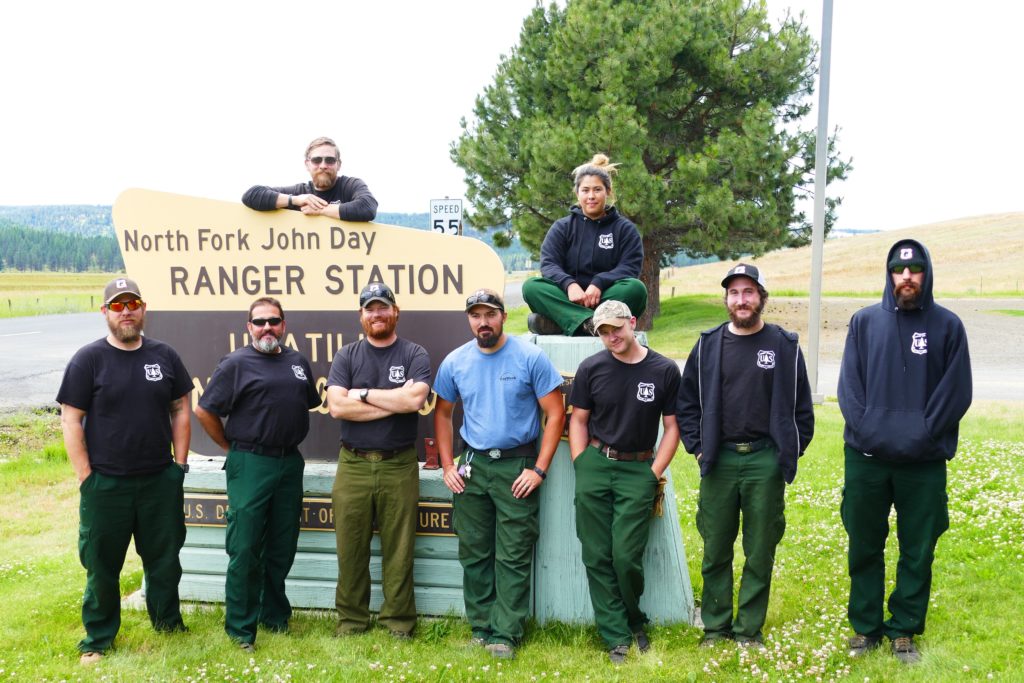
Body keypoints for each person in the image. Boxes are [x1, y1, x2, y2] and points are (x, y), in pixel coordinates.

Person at [838, 240, 972, 665]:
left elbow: (957, 392)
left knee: (918, 548)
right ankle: (865, 627)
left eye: (914, 270)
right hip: (867, 459)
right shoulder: (864, 323)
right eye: (898, 269)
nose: (907, 277)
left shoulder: (948, 326)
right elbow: (850, 390)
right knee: (864, 543)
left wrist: (922, 433)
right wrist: (872, 431)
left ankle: (904, 629)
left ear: (926, 273)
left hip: (924, 463)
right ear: (889, 274)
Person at [677, 264, 814, 648]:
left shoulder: (784, 346)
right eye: (734, 293)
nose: (741, 300)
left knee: (760, 550)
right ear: (726, 299)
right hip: (718, 460)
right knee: (716, 547)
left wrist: (787, 453)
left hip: (763, 461)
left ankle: (748, 630)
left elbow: (802, 408)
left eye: (749, 292)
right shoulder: (707, 345)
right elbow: (686, 403)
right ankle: (716, 627)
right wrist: (699, 446)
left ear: (761, 298)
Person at [56, 276, 192, 665]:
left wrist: (178, 465)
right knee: (101, 564)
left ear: (143, 308)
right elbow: (70, 420)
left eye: (132, 303)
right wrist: (86, 477)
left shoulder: (165, 356)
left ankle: (168, 624)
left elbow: (181, 408)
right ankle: (98, 638)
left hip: (158, 481)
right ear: (105, 313)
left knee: (165, 559)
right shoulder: (89, 359)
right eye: (117, 305)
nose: (126, 311)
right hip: (106, 484)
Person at [433, 288, 565, 660]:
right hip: (473, 466)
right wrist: (447, 465)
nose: (483, 322)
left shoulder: (530, 357)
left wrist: (539, 468)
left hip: (517, 465)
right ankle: (480, 626)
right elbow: (442, 414)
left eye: (490, 314)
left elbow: (555, 414)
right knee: (474, 551)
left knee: (512, 554)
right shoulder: (456, 361)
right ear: (469, 320)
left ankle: (505, 633)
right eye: (475, 315)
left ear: (503, 316)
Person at [194, 297, 322, 652]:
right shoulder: (235, 363)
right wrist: (230, 448)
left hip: (289, 463)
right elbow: (205, 411)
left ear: (284, 325)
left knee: (282, 545)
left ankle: (274, 616)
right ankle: (240, 628)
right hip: (250, 462)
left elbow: (308, 403)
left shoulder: (297, 362)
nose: (268, 327)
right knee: (246, 546)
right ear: (249, 327)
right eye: (260, 321)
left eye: (274, 321)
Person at [568, 300, 681, 664]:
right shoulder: (591, 368)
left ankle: (634, 618)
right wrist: (582, 463)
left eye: (616, 328)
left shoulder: (664, 370)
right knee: (596, 554)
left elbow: (672, 427)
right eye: (602, 331)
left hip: (638, 470)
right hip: (596, 465)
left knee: (625, 556)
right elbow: (579, 420)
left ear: (632, 322)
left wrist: (653, 473)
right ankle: (616, 634)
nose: (611, 336)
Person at [326, 283, 431, 639]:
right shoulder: (347, 356)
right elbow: (337, 406)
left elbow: (414, 401)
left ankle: (398, 623)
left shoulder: (414, 353)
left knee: (399, 549)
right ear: (361, 316)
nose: (377, 315)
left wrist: (366, 394)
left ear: (395, 311)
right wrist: (392, 402)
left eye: (383, 308)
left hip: (399, 464)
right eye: (370, 309)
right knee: (350, 547)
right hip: (352, 464)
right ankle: (352, 621)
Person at [522, 153, 647, 336]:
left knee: (636, 289)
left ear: (608, 192)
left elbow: (630, 267)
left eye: (597, 190)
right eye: (585, 190)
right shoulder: (562, 227)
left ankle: (568, 322)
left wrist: (599, 282)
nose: (591, 196)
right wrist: (569, 284)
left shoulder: (625, 229)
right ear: (577, 193)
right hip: (568, 298)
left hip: (607, 299)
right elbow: (549, 264)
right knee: (531, 287)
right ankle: (591, 323)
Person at [241, 136, 378, 221]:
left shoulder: (350, 185)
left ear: (338, 164)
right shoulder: (299, 192)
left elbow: (368, 207)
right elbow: (251, 195)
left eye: (329, 160)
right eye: (317, 160)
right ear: (307, 164)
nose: (323, 165)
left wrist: (320, 210)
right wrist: (294, 200)